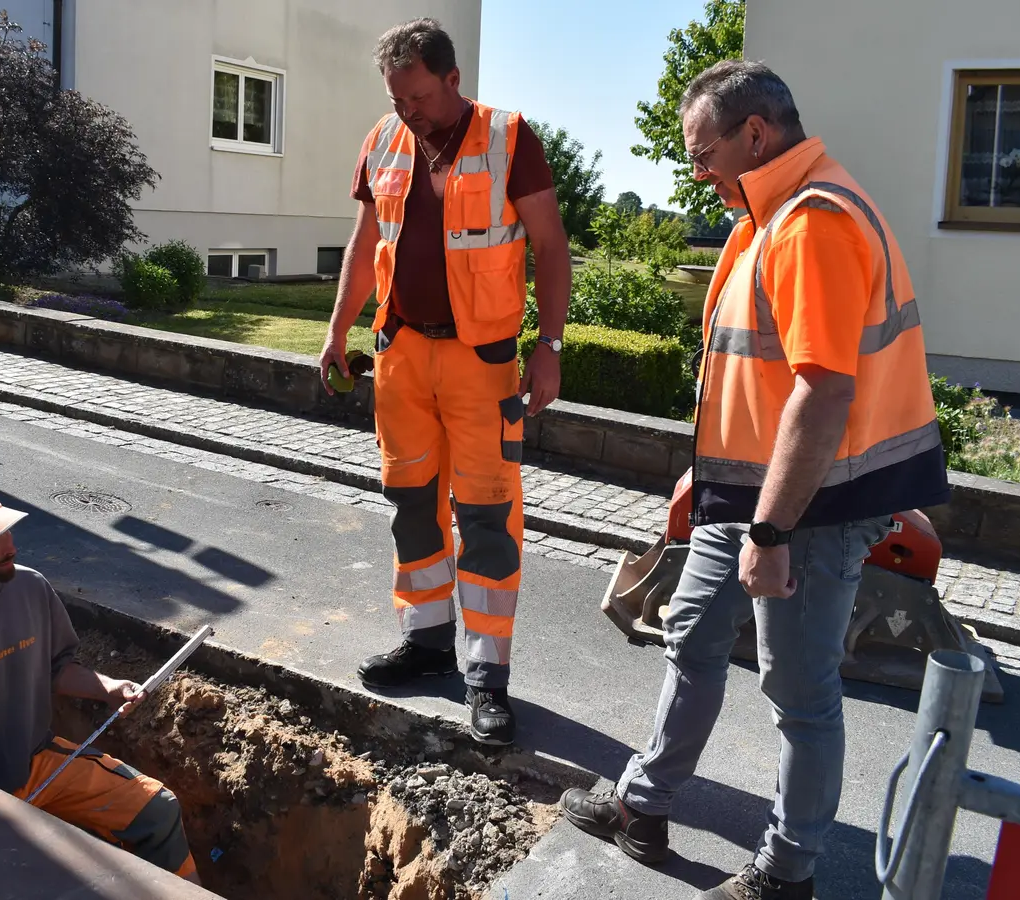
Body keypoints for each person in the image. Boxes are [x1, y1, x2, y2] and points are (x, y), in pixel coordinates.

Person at [558, 60, 951, 899]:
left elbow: (823, 389)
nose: (698, 174)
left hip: (809, 507)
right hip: (745, 494)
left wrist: (770, 533)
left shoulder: (812, 222)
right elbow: (750, 380)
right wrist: (705, 486)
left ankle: (788, 870)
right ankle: (643, 806)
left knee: (798, 688)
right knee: (693, 632)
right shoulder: (764, 216)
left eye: (704, 155)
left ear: (756, 135)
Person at [320, 18, 571, 747]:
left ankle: (487, 676)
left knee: (488, 520)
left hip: (484, 365)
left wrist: (548, 345)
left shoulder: (508, 138)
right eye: (398, 98)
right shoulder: (384, 141)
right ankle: (427, 643)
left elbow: (551, 248)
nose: (409, 112)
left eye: (420, 96)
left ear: (454, 80)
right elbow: (367, 242)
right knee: (411, 505)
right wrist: (339, 328)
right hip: (401, 358)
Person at [0, 484, 200, 885]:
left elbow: (58, 668)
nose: (9, 545)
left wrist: (109, 687)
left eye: (7, 532)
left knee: (156, 811)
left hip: (38, 761)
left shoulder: (29, 587)